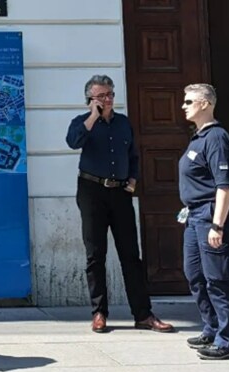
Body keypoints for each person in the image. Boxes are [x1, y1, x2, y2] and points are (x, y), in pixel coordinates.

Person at [66, 75, 174, 333]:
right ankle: (99, 312)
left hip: (120, 192)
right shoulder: (81, 123)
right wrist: (93, 117)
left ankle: (143, 314)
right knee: (95, 255)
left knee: (131, 255)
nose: (108, 99)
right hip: (92, 191)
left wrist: (133, 179)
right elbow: (73, 143)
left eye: (110, 94)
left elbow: (133, 155)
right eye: (101, 95)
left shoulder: (123, 123)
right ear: (90, 99)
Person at [179, 83, 229, 360]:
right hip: (194, 215)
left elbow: (224, 186)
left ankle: (227, 341)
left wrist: (217, 225)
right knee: (194, 275)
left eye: (189, 101)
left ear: (205, 104)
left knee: (218, 278)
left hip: (210, 214)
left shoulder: (216, 137)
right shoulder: (198, 137)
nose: (183, 105)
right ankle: (212, 328)